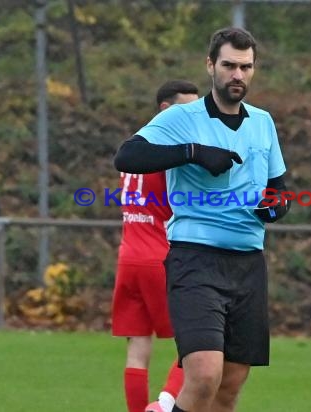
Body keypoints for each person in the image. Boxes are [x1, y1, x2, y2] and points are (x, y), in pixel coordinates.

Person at [114, 27, 290, 412]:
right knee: (204, 373)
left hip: (247, 264)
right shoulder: (182, 117)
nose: (237, 75)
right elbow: (127, 157)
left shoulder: (263, 123)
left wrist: (276, 207)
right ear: (211, 65)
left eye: (246, 67)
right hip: (195, 259)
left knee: (230, 385)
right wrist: (192, 152)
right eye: (229, 65)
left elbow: (280, 189)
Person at [111, 80, 199, 412]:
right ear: (165, 109)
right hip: (160, 259)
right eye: (186, 108)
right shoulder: (167, 152)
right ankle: (163, 405)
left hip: (129, 256)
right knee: (196, 341)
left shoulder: (136, 146)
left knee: (137, 346)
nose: (194, 115)